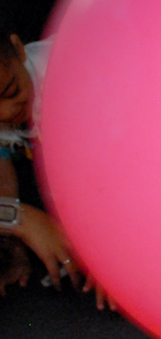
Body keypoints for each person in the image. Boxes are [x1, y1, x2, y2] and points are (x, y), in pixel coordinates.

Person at [0, 31, 112, 307]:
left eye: (11, 91)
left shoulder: (68, 81)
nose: (4, 113)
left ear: (18, 49)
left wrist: (108, 257)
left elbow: (107, 176)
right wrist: (13, 245)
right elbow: (3, 161)